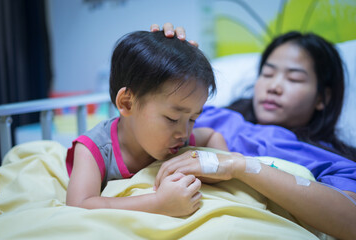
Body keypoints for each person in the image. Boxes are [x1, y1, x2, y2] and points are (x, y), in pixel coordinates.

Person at [152, 23, 356, 239]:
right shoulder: (205, 115)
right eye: (267, 74)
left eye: (294, 78)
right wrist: (157, 65)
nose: (274, 87)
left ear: (322, 98)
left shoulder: (333, 161)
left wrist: (239, 166)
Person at [65, 30, 229, 217]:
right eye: (172, 119)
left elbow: (212, 137)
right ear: (127, 103)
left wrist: (216, 171)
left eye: (192, 119)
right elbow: (78, 205)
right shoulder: (94, 150)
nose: (184, 133)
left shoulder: (179, 139)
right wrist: (158, 203)